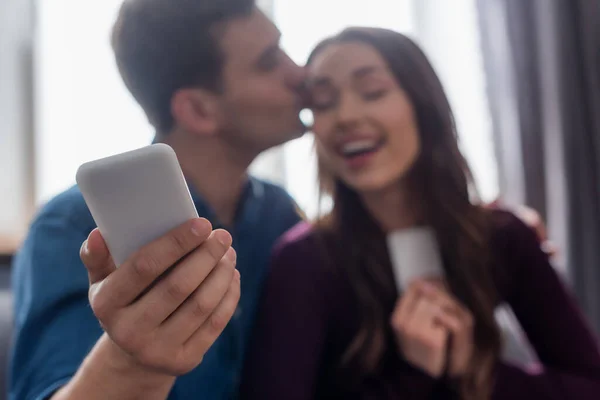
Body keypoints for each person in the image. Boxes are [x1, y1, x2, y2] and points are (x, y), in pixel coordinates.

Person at [240, 27, 600, 400]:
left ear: (423, 104)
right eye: (323, 101)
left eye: (372, 92)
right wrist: (414, 375)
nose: (344, 116)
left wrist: (476, 374)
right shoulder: (304, 261)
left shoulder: (504, 236)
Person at [9, 1, 307, 399]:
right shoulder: (73, 227)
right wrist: (130, 365)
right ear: (198, 109)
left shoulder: (279, 215)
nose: (301, 74)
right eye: (270, 62)